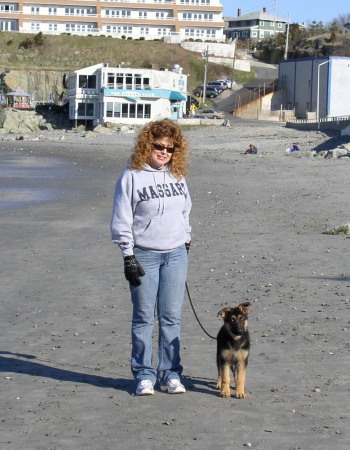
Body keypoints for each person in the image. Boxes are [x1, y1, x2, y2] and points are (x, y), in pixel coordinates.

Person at [110, 119, 192, 396]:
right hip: (144, 255)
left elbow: (185, 210)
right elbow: (122, 219)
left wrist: (186, 236)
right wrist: (127, 255)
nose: (163, 152)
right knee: (143, 317)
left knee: (171, 317)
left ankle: (170, 374)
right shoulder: (131, 176)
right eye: (158, 146)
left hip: (176, 254)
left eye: (170, 148)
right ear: (148, 144)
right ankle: (144, 375)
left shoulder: (177, 175)